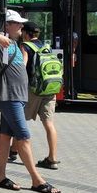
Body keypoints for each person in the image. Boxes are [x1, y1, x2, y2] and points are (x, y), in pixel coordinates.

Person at [0, 10, 61, 193]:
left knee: (5, 137)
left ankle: (0, 177)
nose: (21, 26)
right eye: (17, 23)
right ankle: (37, 180)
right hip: (9, 96)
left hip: (17, 97)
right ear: (6, 25)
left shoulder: (17, 44)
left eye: (21, 23)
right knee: (24, 137)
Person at [20, 21, 60, 169]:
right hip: (49, 88)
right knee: (49, 124)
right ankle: (52, 158)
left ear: (25, 33)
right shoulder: (47, 46)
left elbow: (22, 67)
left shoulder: (25, 46)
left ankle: (13, 150)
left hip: (34, 90)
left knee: (20, 120)